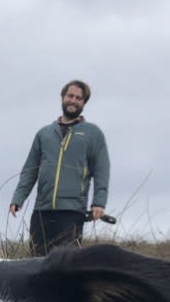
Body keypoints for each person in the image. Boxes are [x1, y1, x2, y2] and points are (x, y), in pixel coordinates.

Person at [9, 80, 111, 255]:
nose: (73, 100)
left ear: (84, 103)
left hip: (72, 211)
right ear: (63, 98)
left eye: (79, 98)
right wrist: (18, 197)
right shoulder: (45, 133)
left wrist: (98, 203)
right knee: (36, 264)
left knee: (65, 266)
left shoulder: (92, 133)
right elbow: (30, 169)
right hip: (42, 210)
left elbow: (101, 170)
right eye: (70, 96)